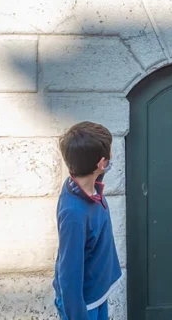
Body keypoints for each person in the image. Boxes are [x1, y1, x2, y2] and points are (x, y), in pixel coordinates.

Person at [53, 121, 122, 320]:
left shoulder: (90, 187)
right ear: (102, 163)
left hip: (98, 294)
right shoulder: (74, 214)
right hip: (83, 306)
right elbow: (68, 274)